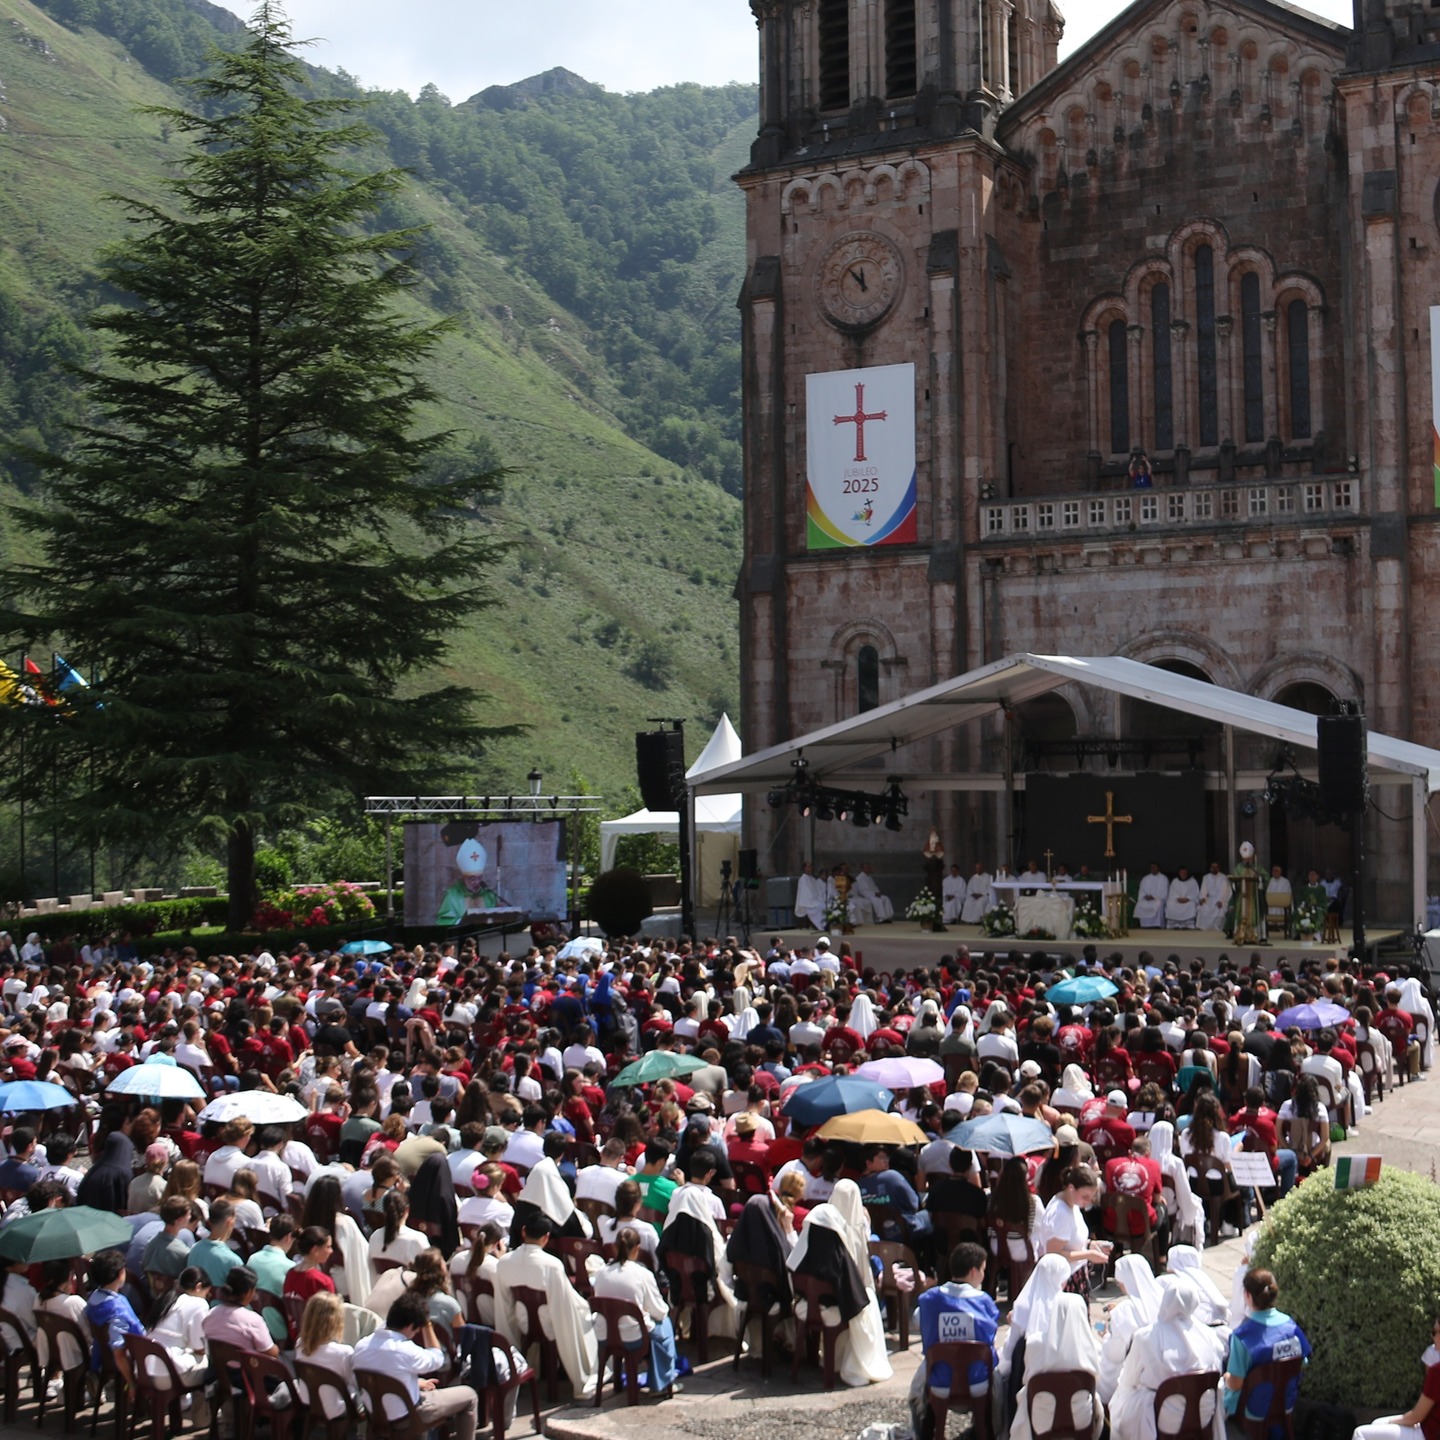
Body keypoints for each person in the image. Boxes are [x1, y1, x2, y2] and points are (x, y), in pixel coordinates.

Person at [786, 1191, 891, 1387]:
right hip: (831, 1311)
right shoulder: (839, 1256)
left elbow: (791, 1275)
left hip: (802, 1308)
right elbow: (853, 1297)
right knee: (867, 1310)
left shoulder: (801, 1249)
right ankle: (854, 1362)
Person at [493, 1212, 598, 1400]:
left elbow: (504, 1304)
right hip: (548, 1322)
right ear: (546, 1237)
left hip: (523, 1321)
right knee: (585, 1315)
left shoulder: (504, 1262)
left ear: (524, 1232)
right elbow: (564, 1302)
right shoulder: (552, 1265)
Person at [1110, 1276, 1228, 1440]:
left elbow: (1129, 1380)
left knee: (1123, 1399)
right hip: (1203, 1415)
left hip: (1164, 1419)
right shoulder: (1210, 1336)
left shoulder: (1145, 1337)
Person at [353, 1291, 478, 1440]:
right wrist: (427, 1325)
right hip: (408, 1417)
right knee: (470, 1396)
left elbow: (382, 1374)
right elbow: (438, 1359)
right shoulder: (406, 1350)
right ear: (411, 1326)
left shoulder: (361, 1346)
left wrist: (414, 1382)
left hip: (376, 1416)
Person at [592, 1224, 680, 1397]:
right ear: (637, 1248)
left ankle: (655, 1376)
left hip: (605, 1334)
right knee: (664, 1324)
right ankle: (662, 1383)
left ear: (615, 1247)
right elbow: (659, 1310)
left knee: (651, 1326)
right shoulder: (642, 1274)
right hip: (633, 1337)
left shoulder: (600, 1273)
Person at [1223, 1269, 1310, 1433]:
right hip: (1286, 1404)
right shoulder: (1291, 1327)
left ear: (1248, 1296)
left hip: (1252, 1411)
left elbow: (1235, 1384)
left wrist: (1226, 1378)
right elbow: (1302, 1362)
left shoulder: (1242, 1336)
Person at [915, 1241, 1000, 1407]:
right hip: (978, 1381)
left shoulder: (929, 1299)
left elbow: (917, 1319)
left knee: (917, 1385)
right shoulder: (984, 1302)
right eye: (983, 1269)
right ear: (974, 1271)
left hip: (938, 1380)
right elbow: (992, 1334)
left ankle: (923, 1422)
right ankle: (993, 1423)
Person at [1009, 1292, 1104, 1440]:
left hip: (1042, 1420)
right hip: (1081, 1421)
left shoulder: (1034, 1343)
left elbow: (1027, 1378)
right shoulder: (1093, 1346)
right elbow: (1097, 1380)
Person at [1350, 1313, 1440, 1440]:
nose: (1432, 1336)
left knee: (1361, 1433)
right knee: (1377, 1424)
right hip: (1429, 1428)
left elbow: (1416, 1418)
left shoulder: (1437, 1371)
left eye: (1435, 1332)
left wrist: (1390, 1422)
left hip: (1427, 1434)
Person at [144, 1265, 210, 1395]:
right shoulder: (199, 1304)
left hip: (144, 1371)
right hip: (167, 1375)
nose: (207, 1297)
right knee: (212, 1371)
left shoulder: (166, 1298)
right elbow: (200, 1348)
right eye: (207, 1293)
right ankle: (197, 1408)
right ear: (198, 1287)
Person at [294, 1291, 357, 1423]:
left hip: (308, 1402)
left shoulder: (300, 1344)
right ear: (336, 1322)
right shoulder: (343, 1352)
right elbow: (354, 1383)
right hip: (336, 1409)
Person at [200, 1267, 277, 1356]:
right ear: (249, 1292)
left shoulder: (210, 1314)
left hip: (217, 1364)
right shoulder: (254, 1321)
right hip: (245, 1365)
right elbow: (271, 1353)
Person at [1196, 863, 1232, 931]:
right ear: (1210, 868)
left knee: (1219, 908)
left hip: (1220, 899)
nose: (1214, 869)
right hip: (1209, 898)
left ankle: (1217, 928)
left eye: (1216, 867)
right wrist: (1202, 898)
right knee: (1203, 906)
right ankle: (1204, 927)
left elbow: (1225, 891)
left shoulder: (1223, 877)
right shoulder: (1206, 877)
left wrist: (1221, 901)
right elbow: (1203, 889)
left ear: (1219, 868)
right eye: (1213, 867)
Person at [1134, 864, 1169, 928]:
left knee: (1158, 905)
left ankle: (1157, 925)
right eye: (1152, 867)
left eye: (1155, 867)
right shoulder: (1145, 878)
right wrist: (1145, 896)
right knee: (1141, 904)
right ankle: (1145, 925)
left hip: (1158, 899)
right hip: (1146, 899)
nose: (1153, 869)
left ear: (1158, 868)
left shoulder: (1163, 878)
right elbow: (1142, 891)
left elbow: (1164, 893)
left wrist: (1154, 897)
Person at [795, 863, 827, 930]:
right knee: (821, 906)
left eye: (811, 866)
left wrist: (820, 899)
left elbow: (817, 891)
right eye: (809, 867)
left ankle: (825, 924)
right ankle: (822, 926)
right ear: (804, 868)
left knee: (824, 905)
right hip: (807, 902)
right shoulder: (803, 879)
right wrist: (814, 900)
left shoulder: (812, 878)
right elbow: (806, 893)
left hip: (815, 899)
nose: (810, 868)